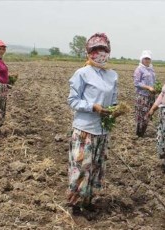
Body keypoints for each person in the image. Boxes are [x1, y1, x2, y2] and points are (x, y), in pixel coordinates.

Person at [67, 32, 119, 213]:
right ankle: (75, 205)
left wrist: (114, 111)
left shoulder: (112, 75)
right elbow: (73, 101)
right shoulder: (82, 73)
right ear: (89, 52)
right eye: (96, 49)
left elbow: (113, 100)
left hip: (102, 130)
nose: (100, 53)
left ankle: (87, 201)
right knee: (82, 167)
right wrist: (93, 107)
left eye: (103, 49)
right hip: (85, 129)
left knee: (95, 167)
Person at [133, 50, 156, 137]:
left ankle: (143, 131)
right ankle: (139, 133)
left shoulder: (151, 69)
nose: (147, 60)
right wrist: (148, 87)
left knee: (148, 113)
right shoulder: (139, 69)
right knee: (141, 114)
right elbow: (136, 83)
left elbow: (154, 82)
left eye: (148, 59)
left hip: (150, 96)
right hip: (142, 96)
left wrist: (155, 89)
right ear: (142, 59)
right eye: (145, 58)